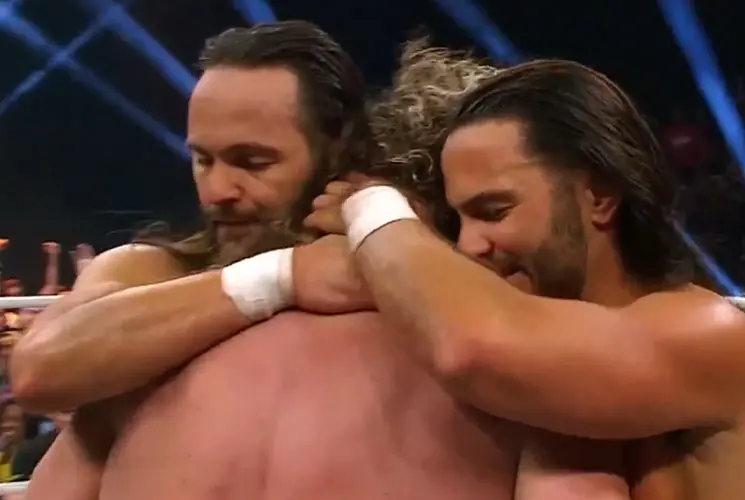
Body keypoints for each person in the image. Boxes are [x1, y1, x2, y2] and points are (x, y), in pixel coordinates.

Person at [14, 29, 628, 500]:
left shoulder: (446, 295)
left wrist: (395, 241)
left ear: (336, 151)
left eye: (253, 162)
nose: (218, 190)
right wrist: (283, 277)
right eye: (203, 159)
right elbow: (41, 370)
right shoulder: (155, 276)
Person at [305, 59, 745, 499]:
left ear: (598, 196)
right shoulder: (539, 347)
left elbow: (469, 349)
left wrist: (372, 208)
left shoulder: (707, 333)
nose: (470, 245)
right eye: (458, 221)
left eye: (494, 211)